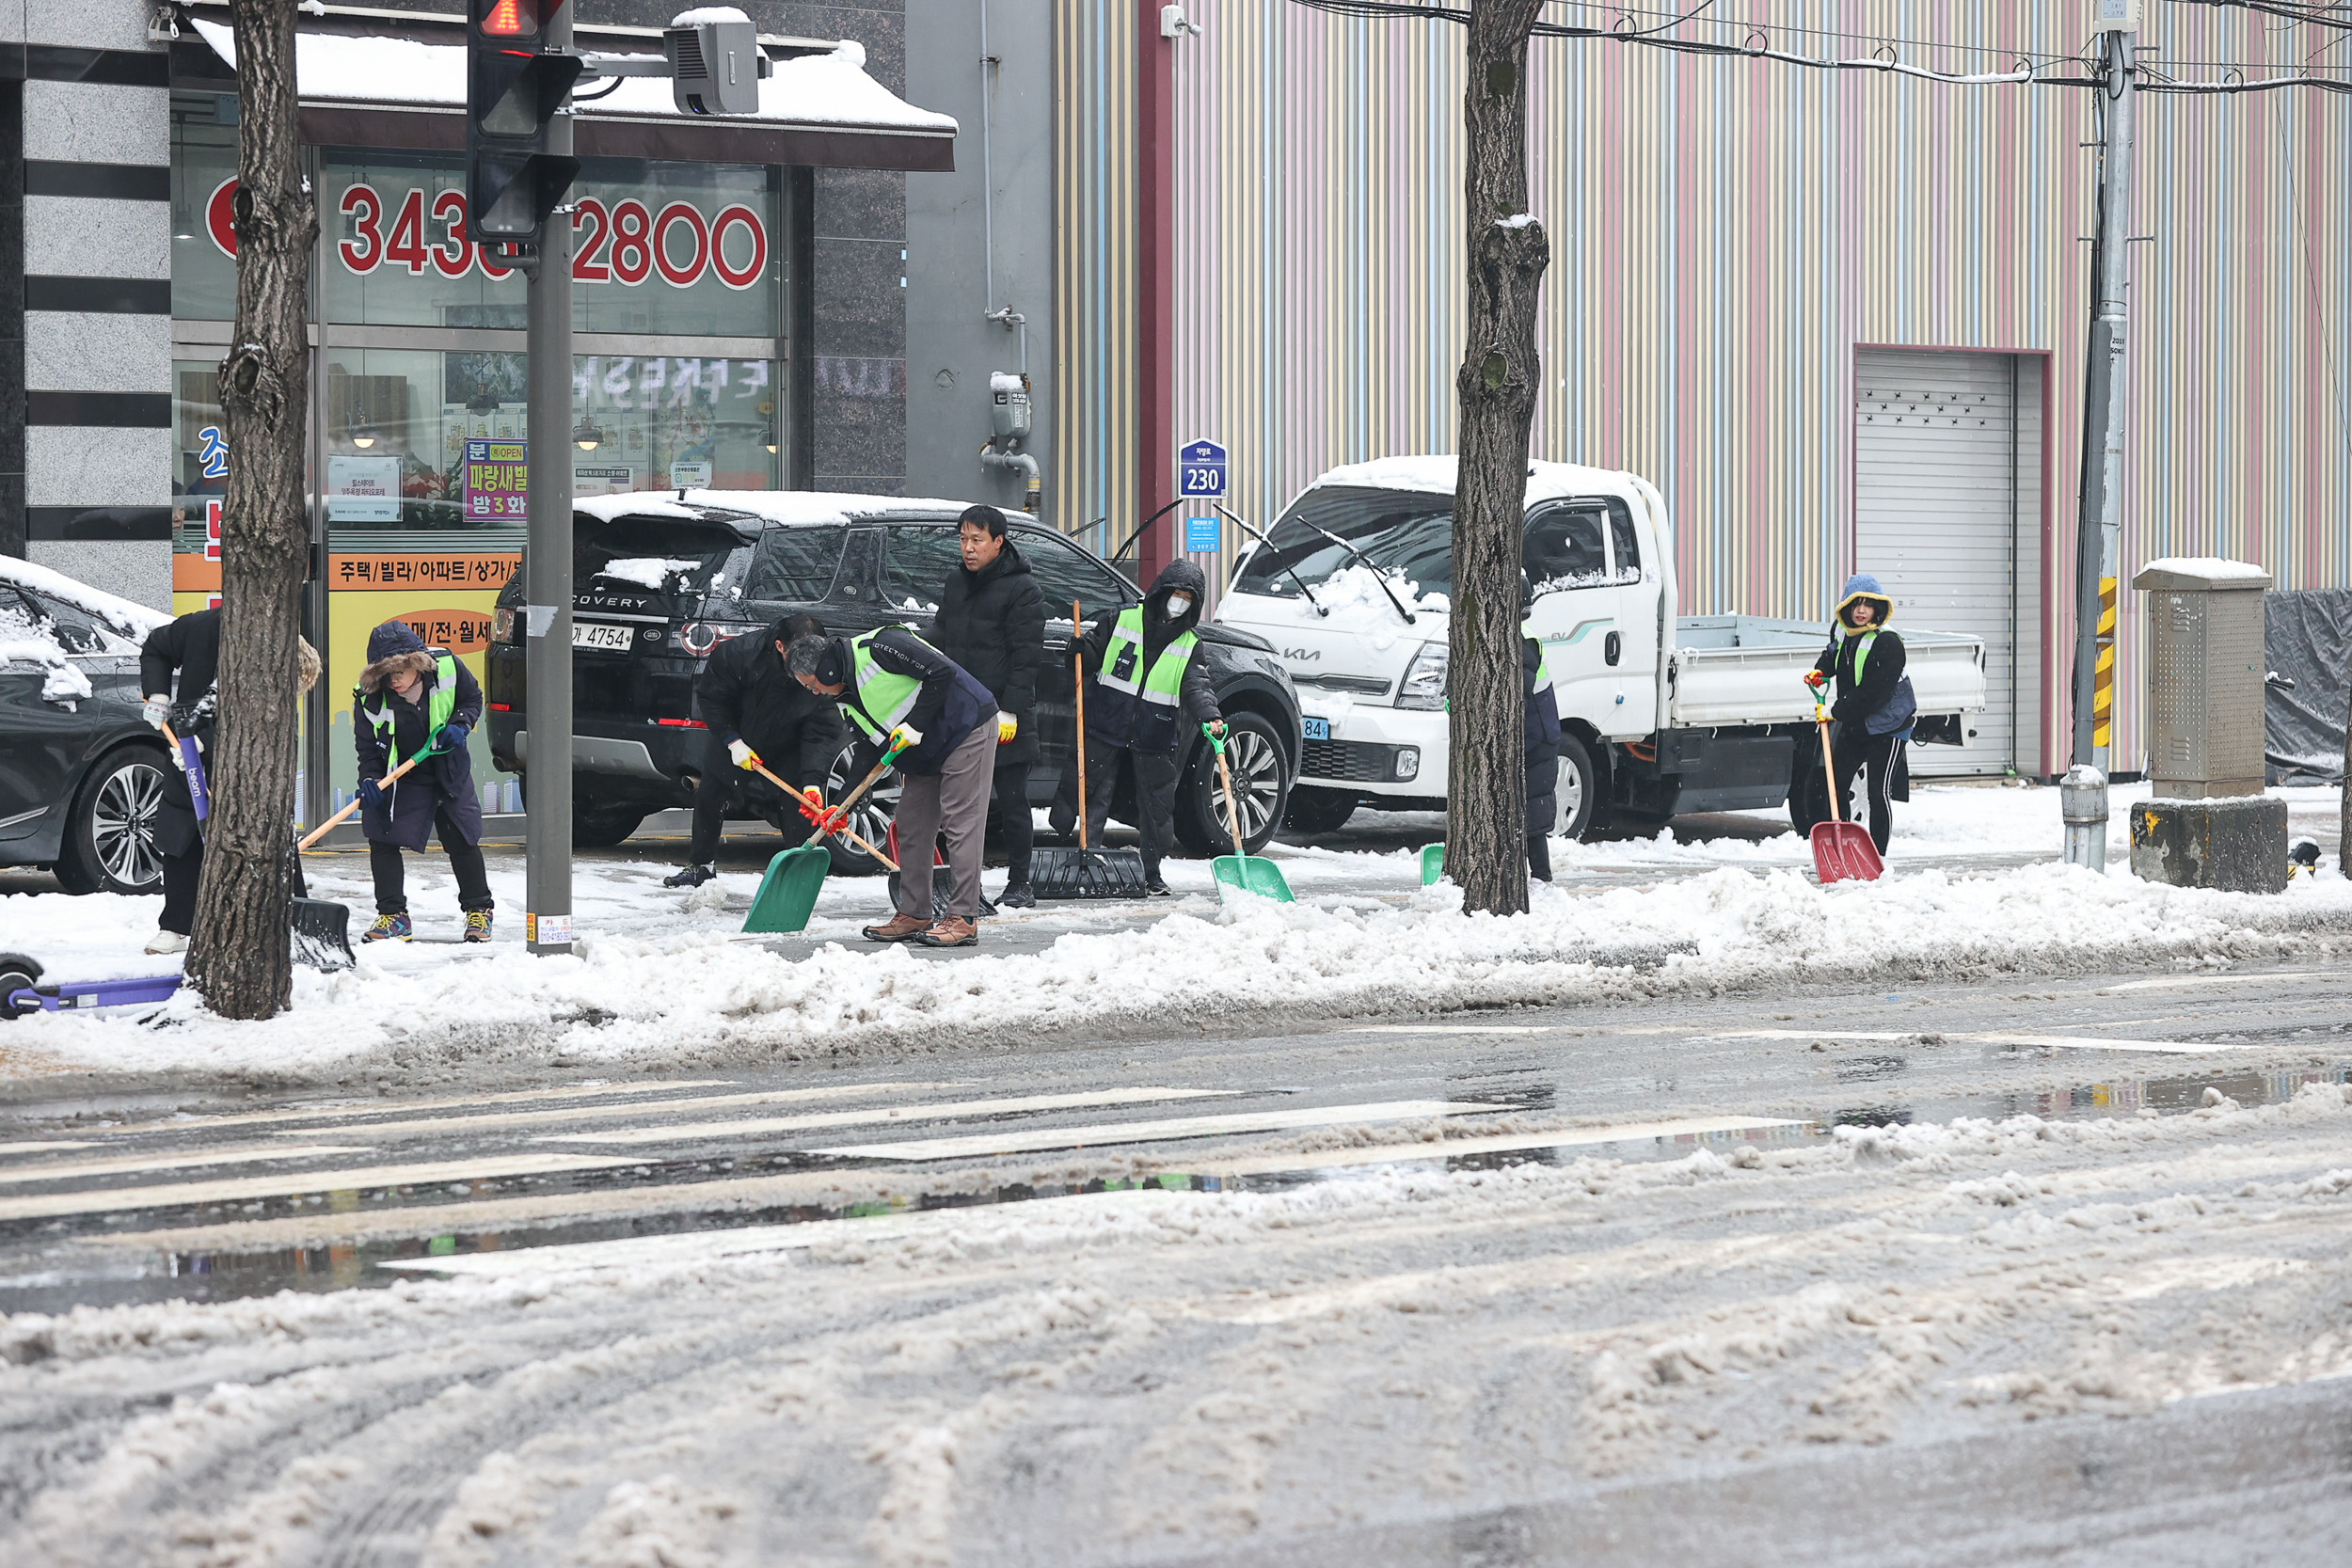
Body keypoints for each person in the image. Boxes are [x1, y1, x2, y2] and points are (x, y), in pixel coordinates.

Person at [788, 623, 996, 947]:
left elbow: (940, 671)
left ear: (826, 669)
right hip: (924, 750)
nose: (813, 693)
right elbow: (869, 748)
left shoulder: (881, 646)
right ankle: (914, 912)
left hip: (965, 728)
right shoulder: (845, 696)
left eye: (811, 685)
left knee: (960, 822)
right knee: (912, 825)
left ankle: (963, 917)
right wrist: (841, 804)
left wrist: (915, 724)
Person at [137, 609, 320, 953]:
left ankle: (294, 918)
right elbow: (156, 648)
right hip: (190, 745)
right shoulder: (202, 628)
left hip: (251, 762)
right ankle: (175, 926)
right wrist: (159, 696)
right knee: (184, 833)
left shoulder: (277, 650)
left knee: (270, 832)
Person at [1071, 560, 1224, 896]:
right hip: (1107, 723)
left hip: (1154, 733)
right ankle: (1086, 858)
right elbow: (1092, 656)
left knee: (1155, 808)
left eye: (1187, 597)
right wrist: (1081, 651)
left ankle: (1151, 872)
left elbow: (1196, 686)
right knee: (1095, 793)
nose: (1178, 601)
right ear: (1161, 591)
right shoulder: (1121, 620)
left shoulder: (1189, 644)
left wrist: (1210, 714)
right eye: (1175, 593)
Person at [662, 611, 842, 888]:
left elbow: (822, 730)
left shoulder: (824, 670)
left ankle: (797, 875)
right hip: (740, 734)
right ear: (780, 646)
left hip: (789, 743)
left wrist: (814, 782)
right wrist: (732, 741)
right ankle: (701, 866)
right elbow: (712, 698)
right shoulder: (740, 654)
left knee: (799, 806)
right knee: (711, 793)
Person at [929, 505, 1043, 907]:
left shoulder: (1023, 590)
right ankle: (964, 885)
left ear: (998, 541)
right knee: (960, 804)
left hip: (1002, 711)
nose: (968, 548)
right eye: (963, 539)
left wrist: (1010, 709)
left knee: (1011, 798)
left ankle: (1020, 882)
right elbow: (942, 633)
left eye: (977, 540)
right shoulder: (956, 583)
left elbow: (1026, 657)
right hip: (959, 711)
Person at [354, 621, 493, 941]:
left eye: (400, 670)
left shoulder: (448, 667)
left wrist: (459, 726)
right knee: (380, 835)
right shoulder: (369, 699)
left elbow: (472, 699)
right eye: (386, 674)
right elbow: (367, 748)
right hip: (403, 775)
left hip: (448, 767)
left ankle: (479, 911)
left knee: (462, 838)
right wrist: (371, 780)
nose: (395, 680)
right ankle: (393, 917)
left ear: (416, 662)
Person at [1808, 573, 1915, 854]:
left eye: (1868, 605)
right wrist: (1820, 672)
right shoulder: (1844, 630)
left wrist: (1835, 710)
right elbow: (1834, 654)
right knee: (1835, 783)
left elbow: (1873, 692)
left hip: (1889, 724)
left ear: (1878, 608)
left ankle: (1878, 855)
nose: (1861, 611)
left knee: (1877, 793)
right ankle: (1842, 847)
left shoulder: (1888, 642)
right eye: (1856, 604)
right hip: (1858, 722)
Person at [1524, 625, 1563, 882]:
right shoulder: (1522, 634)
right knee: (1528, 812)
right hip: (1534, 735)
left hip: (1537, 738)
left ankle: (1541, 879)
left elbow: (1516, 691)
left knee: (1533, 813)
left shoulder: (1525, 641)